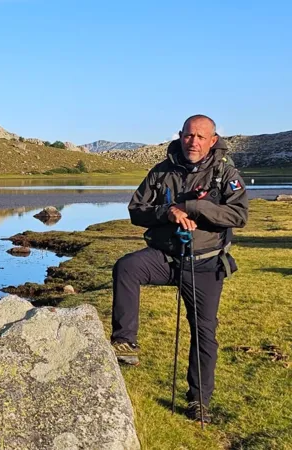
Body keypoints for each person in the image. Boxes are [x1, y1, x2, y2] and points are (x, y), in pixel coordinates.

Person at [110, 115, 249, 422]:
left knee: (204, 331)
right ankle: (125, 342)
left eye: (200, 137)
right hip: (165, 257)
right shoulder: (161, 171)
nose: (193, 142)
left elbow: (238, 216)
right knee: (127, 268)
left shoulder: (225, 173)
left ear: (213, 140)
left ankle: (199, 400)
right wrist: (168, 212)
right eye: (188, 135)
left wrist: (193, 207)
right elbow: (136, 211)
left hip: (205, 263)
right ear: (180, 135)